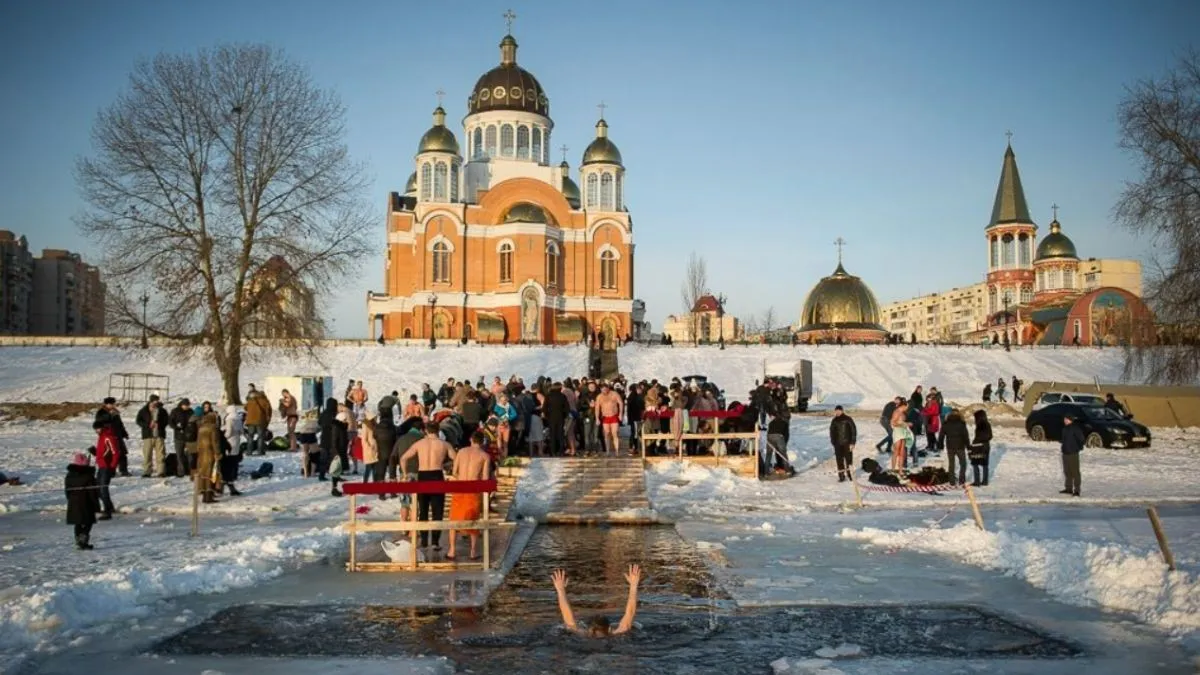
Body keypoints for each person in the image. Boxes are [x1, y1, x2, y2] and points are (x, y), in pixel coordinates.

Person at [400, 421, 457, 550]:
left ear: (426, 430)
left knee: (423, 510)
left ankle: (424, 541)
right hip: (437, 475)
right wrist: (452, 470)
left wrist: (405, 475)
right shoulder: (444, 444)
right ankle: (435, 542)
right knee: (437, 511)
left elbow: (403, 458)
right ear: (438, 430)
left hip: (423, 476)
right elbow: (456, 459)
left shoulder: (419, 444)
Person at [552, 564, 641, 638]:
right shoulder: (616, 634)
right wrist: (633, 586)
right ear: (609, 629)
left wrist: (560, 589)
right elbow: (630, 613)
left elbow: (568, 619)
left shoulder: (582, 634)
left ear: (589, 630)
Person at [447, 431, 491, 561]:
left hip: (460, 487)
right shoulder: (485, 456)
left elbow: (454, 471)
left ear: (471, 439)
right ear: (482, 442)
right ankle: (472, 551)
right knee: (473, 520)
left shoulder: (461, 452)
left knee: (454, 519)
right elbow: (485, 477)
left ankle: (452, 550)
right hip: (473, 489)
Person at [65, 452, 101, 550]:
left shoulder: (69, 475)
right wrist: (96, 505)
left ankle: (79, 540)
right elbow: (93, 493)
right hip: (86, 502)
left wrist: (70, 500)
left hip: (74, 502)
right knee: (88, 522)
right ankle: (83, 540)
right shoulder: (88, 476)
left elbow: (67, 491)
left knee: (78, 523)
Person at [92, 416, 121, 519]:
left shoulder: (108, 437)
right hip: (101, 466)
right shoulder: (101, 437)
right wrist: (94, 452)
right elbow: (103, 453)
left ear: (102, 428)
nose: (96, 431)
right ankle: (110, 507)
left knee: (103, 489)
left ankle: (107, 511)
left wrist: (112, 467)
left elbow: (115, 453)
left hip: (106, 467)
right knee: (98, 489)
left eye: (97, 429)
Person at [135, 395, 169, 478]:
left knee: (161, 454)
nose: (156, 403)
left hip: (159, 435)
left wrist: (160, 424)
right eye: (154, 401)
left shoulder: (162, 410)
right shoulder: (143, 410)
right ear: (150, 401)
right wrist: (147, 425)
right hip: (148, 435)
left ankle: (161, 471)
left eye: (157, 401)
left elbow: (167, 420)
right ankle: (147, 471)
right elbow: (138, 421)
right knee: (147, 454)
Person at [941, 410, 971, 486]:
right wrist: (968, 447)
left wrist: (940, 445)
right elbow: (966, 437)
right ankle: (962, 480)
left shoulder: (946, 423)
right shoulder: (962, 424)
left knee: (951, 464)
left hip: (950, 446)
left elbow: (941, 436)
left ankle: (952, 481)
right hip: (960, 446)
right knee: (963, 463)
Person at [829, 405, 857, 482]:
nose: (837, 412)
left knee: (849, 460)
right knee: (839, 460)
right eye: (836, 411)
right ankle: (841, 475)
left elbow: (853, 431)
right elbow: (832, 431)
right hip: (837, 444)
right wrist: (833, 441)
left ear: (842, 411)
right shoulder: (834, 420)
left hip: (847, 443)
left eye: (839, 410)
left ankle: (850, 474)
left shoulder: (848, 419)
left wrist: (853, 442)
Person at [595, 384, 624, 457]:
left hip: (614, 416)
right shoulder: (599, 396)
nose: (604, 391)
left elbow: (621, 403)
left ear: (608, 388)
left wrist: (620, 414)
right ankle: (608, 451)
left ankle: (617, 451)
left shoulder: (614, 394)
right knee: (607, 434)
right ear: (601, 390)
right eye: (602, 390)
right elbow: (597, 408)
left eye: (605, 389)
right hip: (605, 417)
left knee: (615, 433)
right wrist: (597, 418)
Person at [1060, 413, 1084, 497]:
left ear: (1070, 420)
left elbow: (1081, 439)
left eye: (1066, 419)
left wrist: (1077, 448)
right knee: (1067, 472)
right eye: (1064, 419)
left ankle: (1077, 490)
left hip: (1073, 453)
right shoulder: (1065, 429)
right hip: (1065, 453)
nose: (1064, 420)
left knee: (1075, 472)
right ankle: (1068, 488)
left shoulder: (1075, 428)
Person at [168, 398, 192, 478]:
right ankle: (181, 471)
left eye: (188, 405)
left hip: (188, 437)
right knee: (179, 454)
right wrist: (176, 427)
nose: (187, 407)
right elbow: (170, 422)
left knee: (190, 455)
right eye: (186, 405)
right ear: (182, 405)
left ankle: (190, 470)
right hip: (178, 437)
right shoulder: (175, 411)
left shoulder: (191, 411)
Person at [969, 409, 992, 487]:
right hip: (986, 446)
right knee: (985, 464)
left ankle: (977, 481)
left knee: (975, 463)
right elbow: (990, 436)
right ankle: (985, 481)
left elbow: (978, 437)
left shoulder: (980, 425)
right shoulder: (987, 424)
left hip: (979, 446)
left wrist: (974, 443)